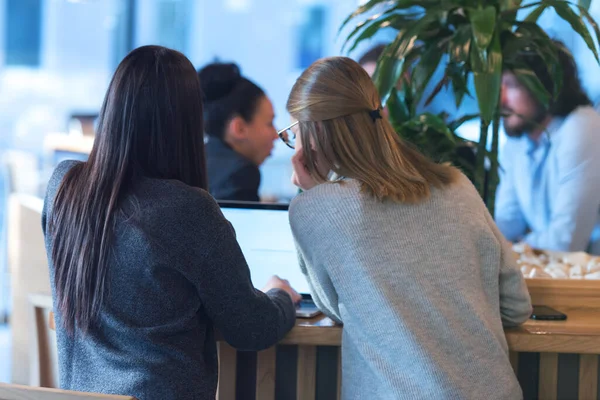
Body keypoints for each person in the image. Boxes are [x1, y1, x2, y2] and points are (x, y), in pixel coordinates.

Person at [42, 46, 299, 400]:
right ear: (187, 122)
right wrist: (281, 296)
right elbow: (251, 328)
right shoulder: (187, 208)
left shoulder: (64, 187)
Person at [279, 56, 532, 399]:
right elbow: (516, 305)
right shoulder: (457, 184)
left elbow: (336, 308)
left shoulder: (312, 209)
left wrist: (314, 194)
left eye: (292, 134)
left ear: (314, 134)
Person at [495, 40, 600, 254]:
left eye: (513, 85)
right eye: (498, 85)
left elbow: (566, 241)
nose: (501, 99)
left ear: (546, 84)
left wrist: (511, 250)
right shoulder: (517, 141)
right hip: (558, 274)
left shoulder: (582, 126)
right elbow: (506, 224)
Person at [198, 62, 278, 201]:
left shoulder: (197, 161)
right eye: (269, 123)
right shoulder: (240, 173)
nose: (277, 135)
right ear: (239, 128)